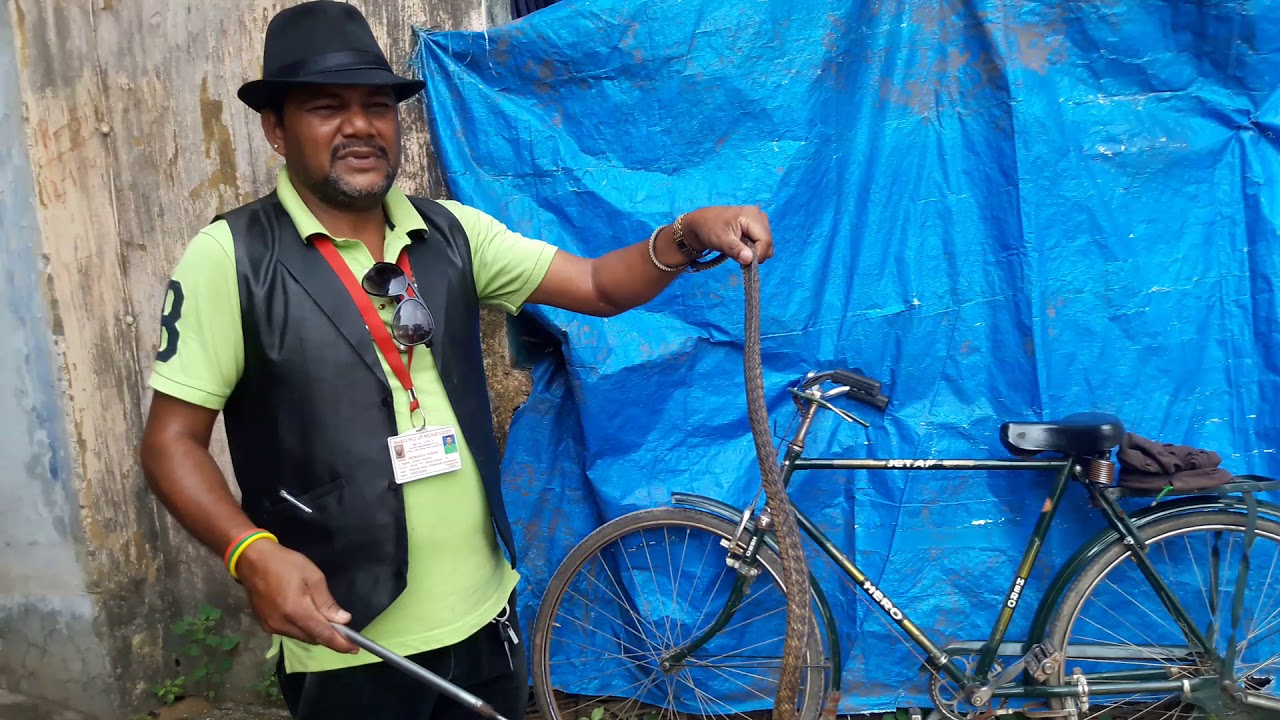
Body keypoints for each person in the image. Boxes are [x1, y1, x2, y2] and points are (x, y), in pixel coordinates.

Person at [137, 2, 774, 720]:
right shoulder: (232, 259)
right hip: (350, 641)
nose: (359, 126)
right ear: (275, 130)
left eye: (376, 106)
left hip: (486, 619)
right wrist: (249, 552)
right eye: (326, 107)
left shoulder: (450, 234)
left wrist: (687, 234)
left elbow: (597, 286)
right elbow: (170, 443)